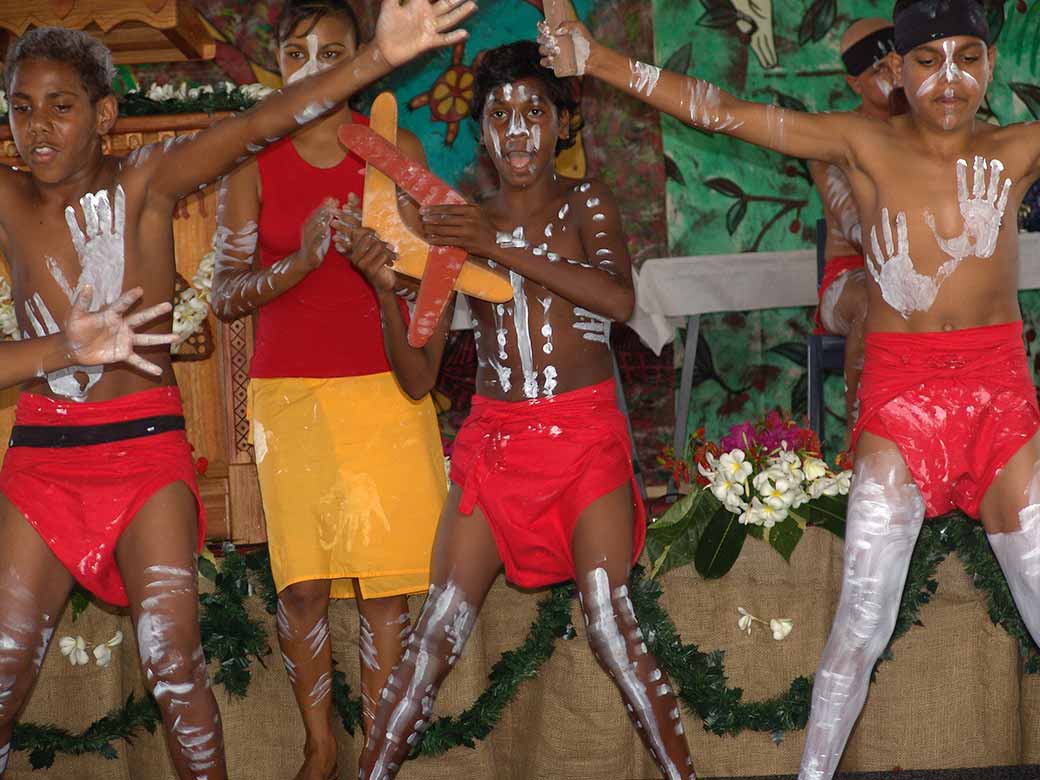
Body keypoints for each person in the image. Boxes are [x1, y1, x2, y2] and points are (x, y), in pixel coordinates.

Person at [538, 0, 1040, 775]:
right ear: (898, 73)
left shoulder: (1016, 149)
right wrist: (598, 60)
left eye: (968, 58)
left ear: (990, 67)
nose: (950, 79)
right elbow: (726, 113)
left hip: (1000, 400)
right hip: (903, 407)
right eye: (929, 59)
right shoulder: (861, 141)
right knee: (861, 623)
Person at [0, 3, 473, 778]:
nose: (38, 127)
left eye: (61, 106)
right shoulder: (9, 200)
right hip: (43, 456)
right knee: (5, 672)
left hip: (145, 452)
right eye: (21, 109)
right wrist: (60, 347)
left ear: (105, 116)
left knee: (172, 663)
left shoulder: (146, 183)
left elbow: (262, 122)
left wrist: (376, 61)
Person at [348, 39, 697, 780]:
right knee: (433, 638)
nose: (517, 129)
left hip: (584, 442)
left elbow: (617, 298)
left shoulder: (585, 204)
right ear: (481, 130)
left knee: (609, 624)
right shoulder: (456, 224)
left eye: (533, 111)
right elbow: (418, 377)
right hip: (495, 448)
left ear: (561, 125)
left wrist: (497, 241)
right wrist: (387, 291)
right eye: (500, 114)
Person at [209, 2, 447, 778]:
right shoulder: (251, 158)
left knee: (385, 593)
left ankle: (378, 753)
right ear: (280, 62)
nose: (314, 66)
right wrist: (302, 261)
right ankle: (320, 749)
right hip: (289, 396)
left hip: (385, 391)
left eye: (334, 51)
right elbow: (225, 295)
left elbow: (436, 267)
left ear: (364, 58)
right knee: (303, 587)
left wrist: (393, 268)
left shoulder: (394, 148)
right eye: (298, 51)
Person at [808, 17, 897, 430]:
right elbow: (858, 227)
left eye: (900, 62)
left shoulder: (933, 129)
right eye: (878, 69)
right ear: (853, 82)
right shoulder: (833, 141)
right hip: (851, 279)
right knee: (875, 297)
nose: (893, 75)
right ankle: (859, 443)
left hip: (927, 274)